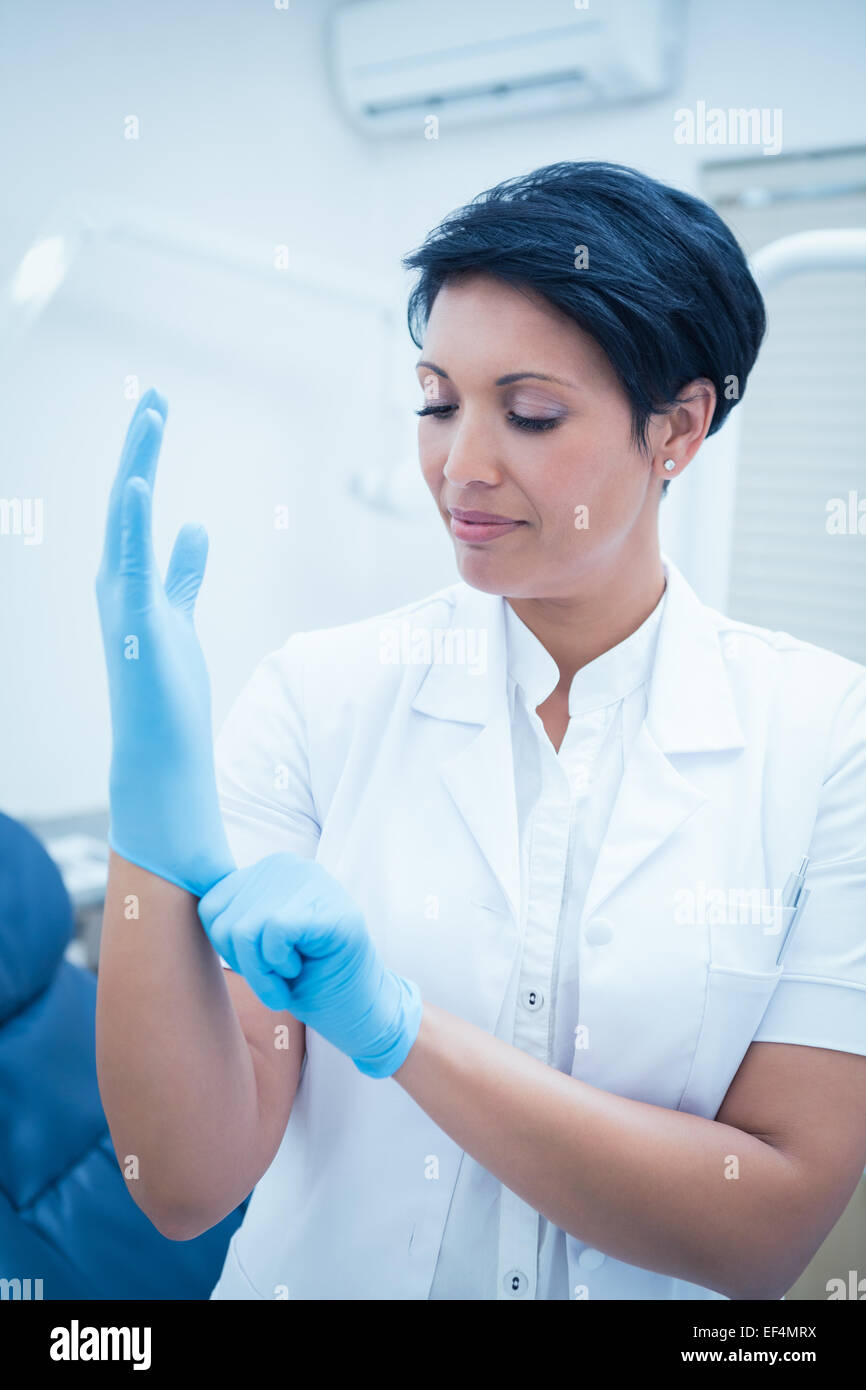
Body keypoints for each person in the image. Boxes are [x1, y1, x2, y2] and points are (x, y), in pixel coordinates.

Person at [94, 161, 866, 1301]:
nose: (459, 464)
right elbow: (183, 1184)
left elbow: (760, 1232)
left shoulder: (824, 741)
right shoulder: (321, 695)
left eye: (530, 411)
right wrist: (146, 833)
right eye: (436, 399)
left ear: (680, 428)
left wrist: (399, 1031)